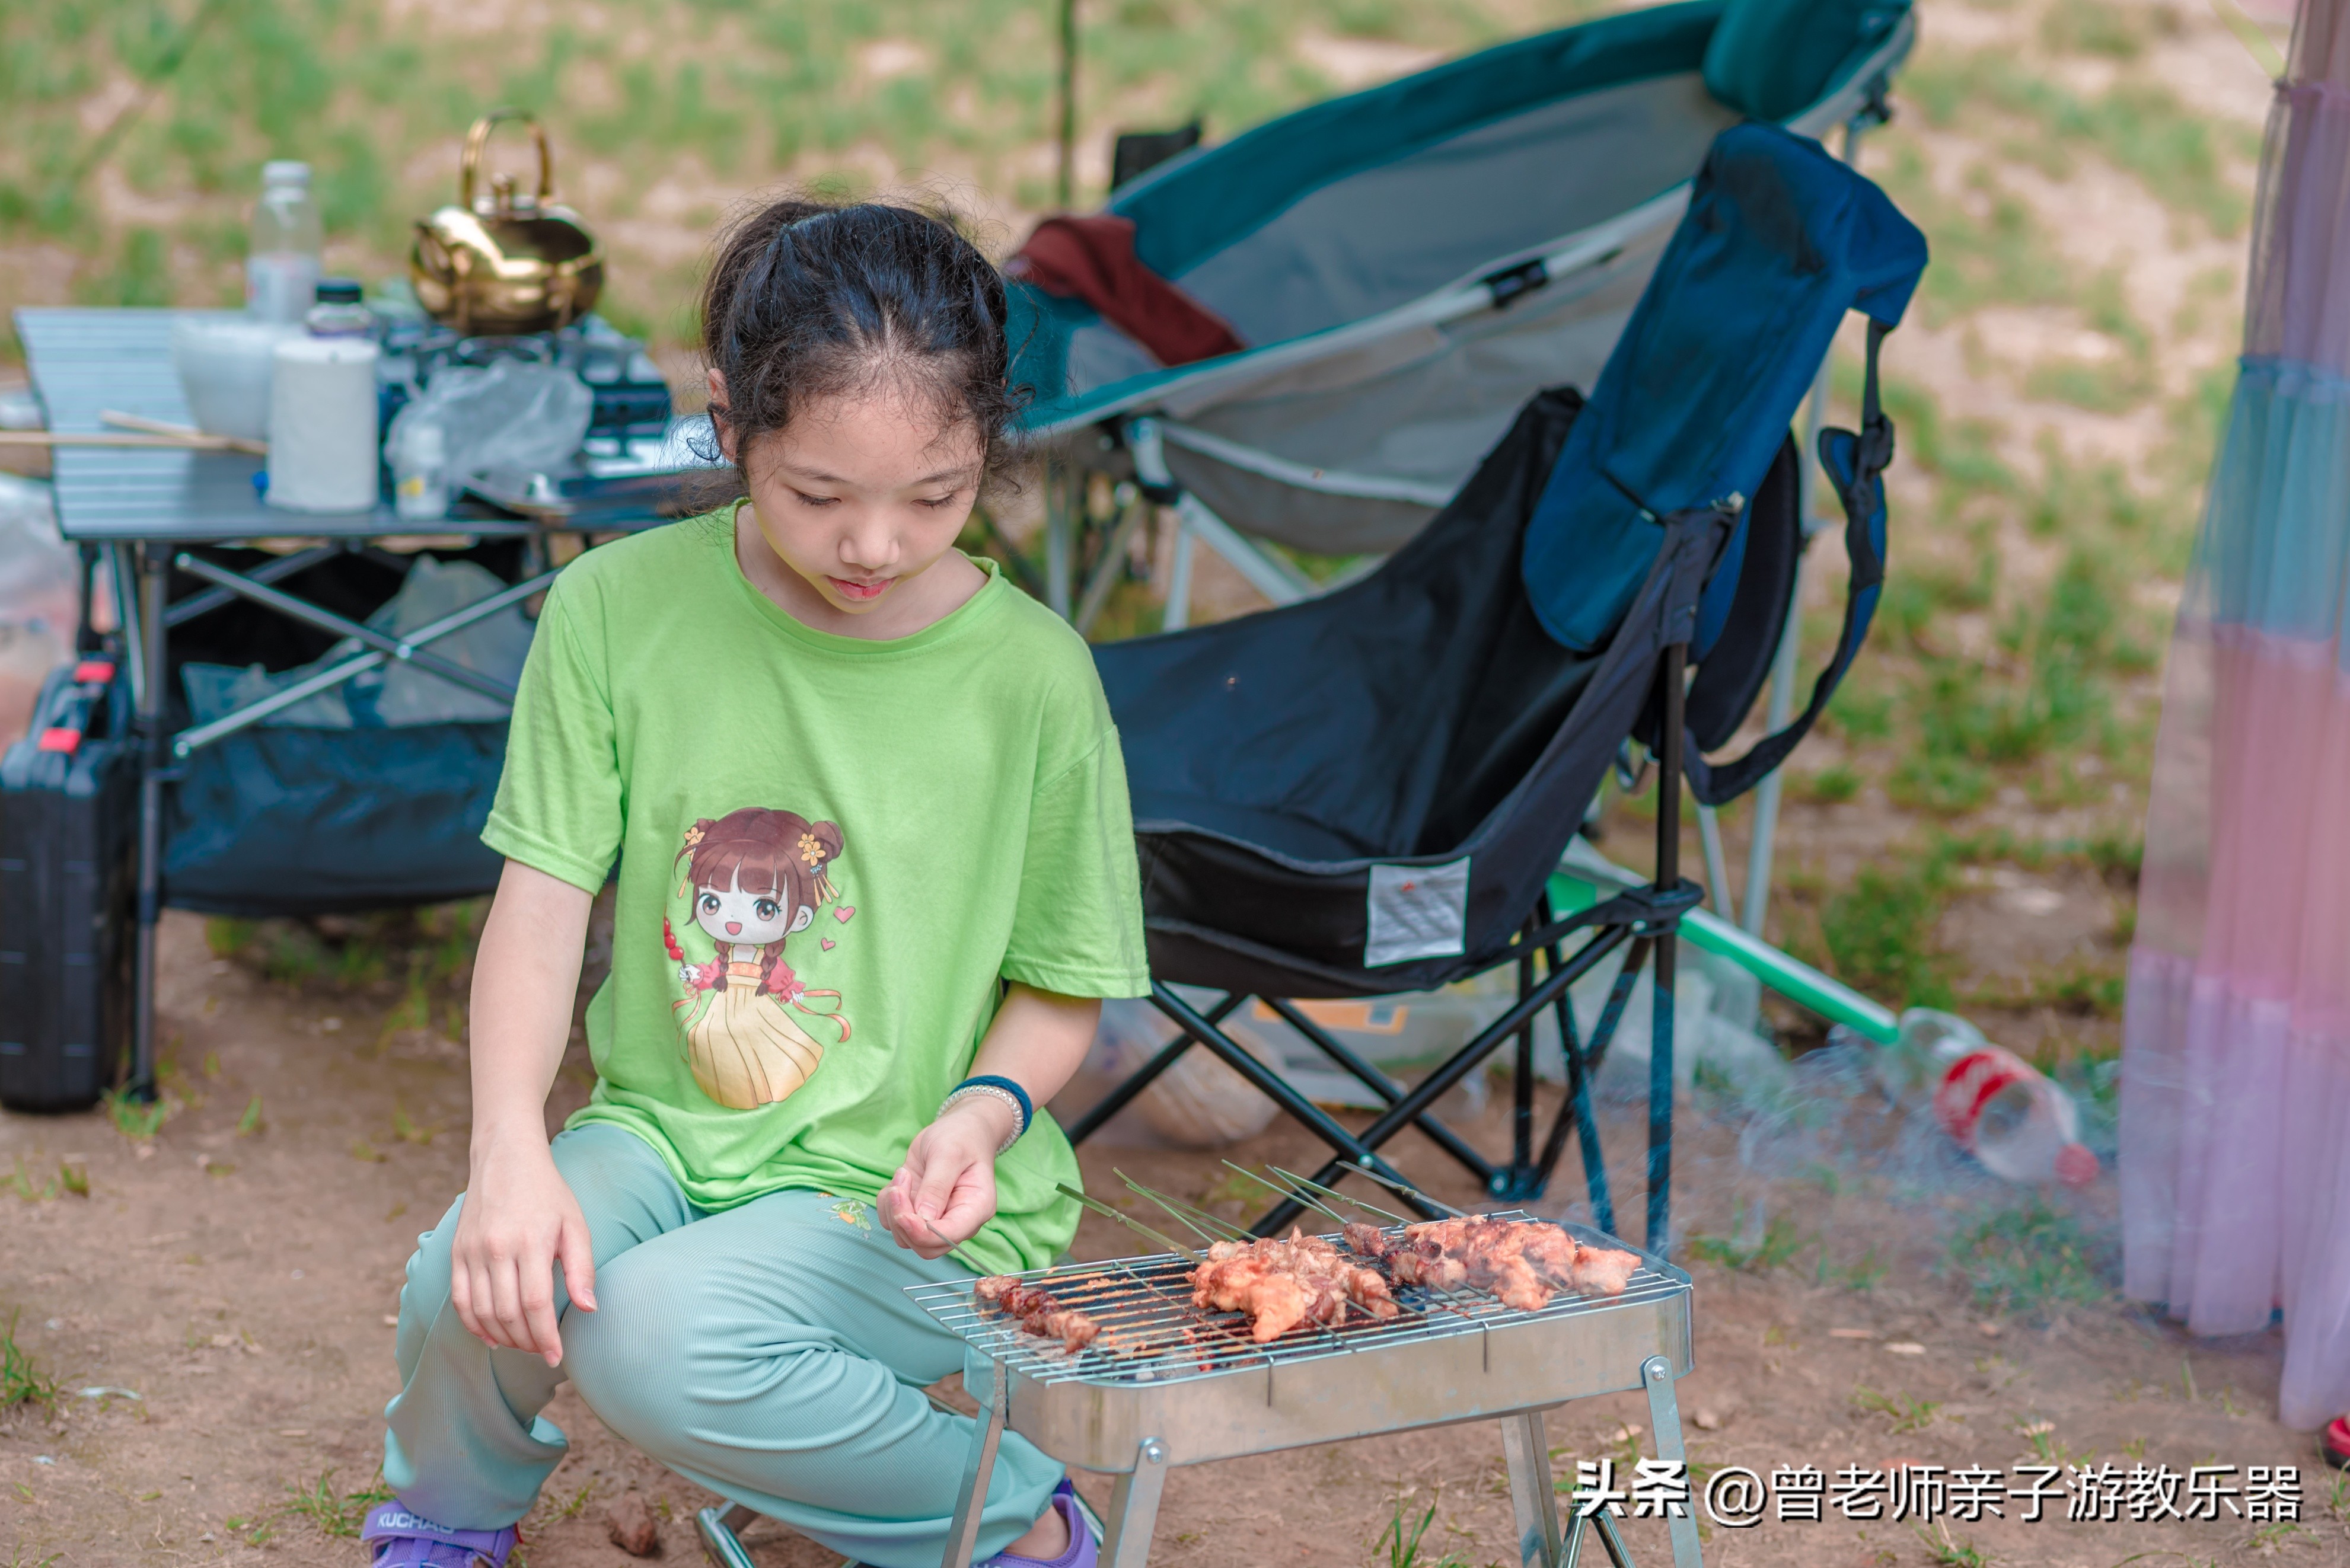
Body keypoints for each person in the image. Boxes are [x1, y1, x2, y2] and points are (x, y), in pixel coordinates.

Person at [362, 197, 1147, 1568]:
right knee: (465, 1273)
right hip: (665, 1135)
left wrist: (979, 1119)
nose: (875, 547)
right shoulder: (614, 608)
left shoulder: (1032, 676)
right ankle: (447, 1512)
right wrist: (510, 1158)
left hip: (906, 1185)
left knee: (654, 1339)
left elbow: (1062, 987)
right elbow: (540, 911)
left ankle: (1011, 1516)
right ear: (728, 427)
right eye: (818, 495)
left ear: (988, 449)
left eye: (936, 496)